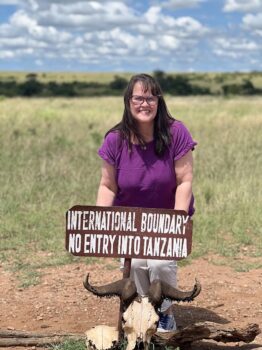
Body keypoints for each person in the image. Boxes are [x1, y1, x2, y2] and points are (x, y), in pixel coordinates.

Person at [96, 73, 197, 331]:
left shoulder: (176, 132)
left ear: (158, 101)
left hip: (165, 219)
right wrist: (99, 222)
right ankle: (144, 311)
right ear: (128, 102)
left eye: (150, 97)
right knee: (138, 263)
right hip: (130, 221)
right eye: (138, 98)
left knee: (159, 262)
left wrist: (176, 221)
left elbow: (185, 181)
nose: (145, 103)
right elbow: (108, 185)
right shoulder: (115, 139)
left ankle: (164, 313)